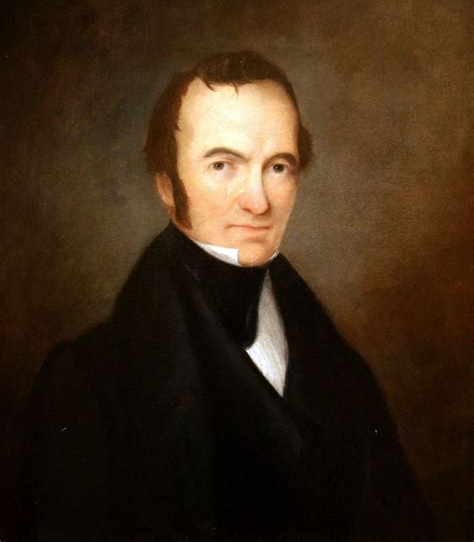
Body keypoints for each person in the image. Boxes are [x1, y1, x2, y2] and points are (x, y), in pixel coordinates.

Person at [24, 51, 432, 540]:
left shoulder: (346, 373)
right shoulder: (87, 384)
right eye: (223, 165)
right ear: (166, 185)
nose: (258, 201)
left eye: (278, 167)